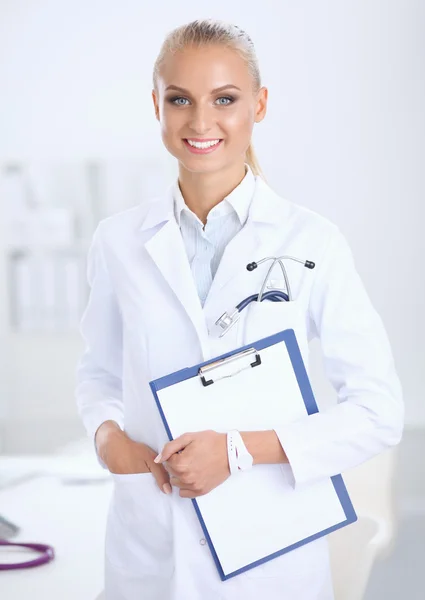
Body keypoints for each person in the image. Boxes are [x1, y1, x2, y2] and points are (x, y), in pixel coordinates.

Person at [75, 18, 404, 600]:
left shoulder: (312, 242)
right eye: (180, 100)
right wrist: (105, 436)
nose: (201, 122)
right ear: (156, 105)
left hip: (271, 562)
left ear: (260, 103)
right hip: (149, 556)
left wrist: (236, 450)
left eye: (224, 99)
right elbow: (98, 374)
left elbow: (378, 411)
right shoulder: (118, 241)